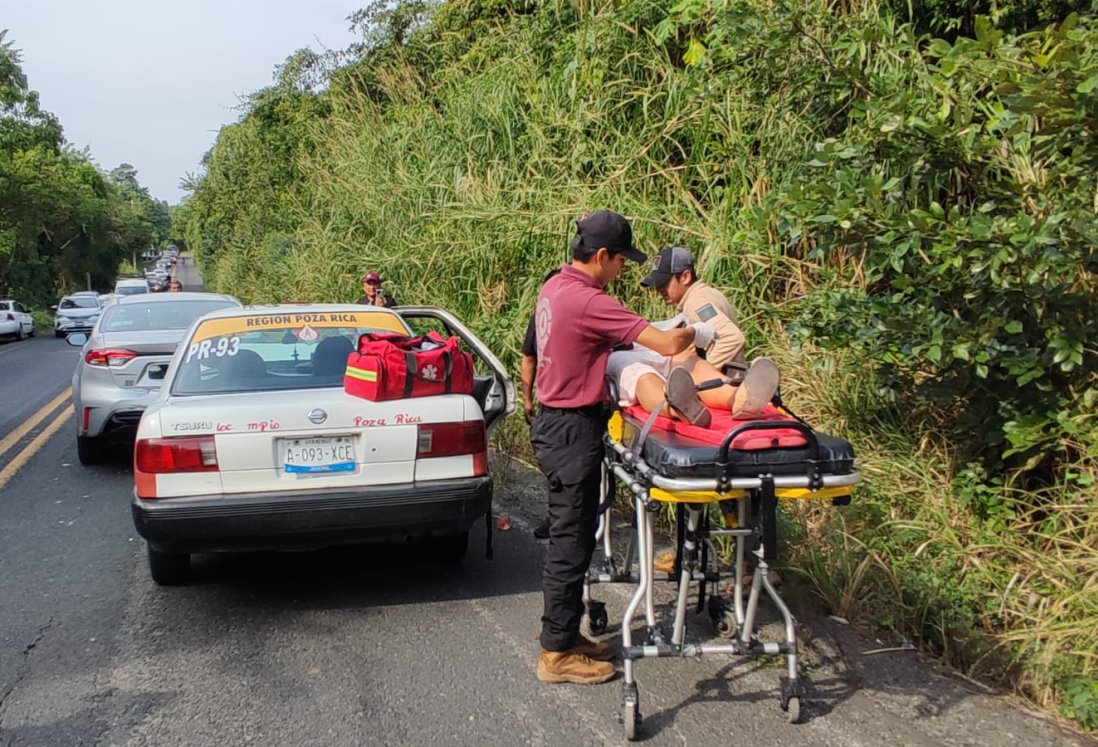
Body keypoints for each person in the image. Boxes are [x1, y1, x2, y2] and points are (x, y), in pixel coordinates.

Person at [531, 210, 717, 685]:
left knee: (571, 538)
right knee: (571, 546)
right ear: (600, 256)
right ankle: (555, 654)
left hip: (559, 425)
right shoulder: (591, 301)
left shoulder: (554, 287)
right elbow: (667, 340)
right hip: (572, 430)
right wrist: (698, 332)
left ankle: (566, 636)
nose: (623, 270)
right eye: (621, 261)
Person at [521, 269, 561, 541]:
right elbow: (529, 358)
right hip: (564, 405)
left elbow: (529, 359)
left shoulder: (543, 316)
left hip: (559, 404)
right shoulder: (544, 317)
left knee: (561, 469)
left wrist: (527, 399)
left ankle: (563, 522)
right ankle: (565, 520)